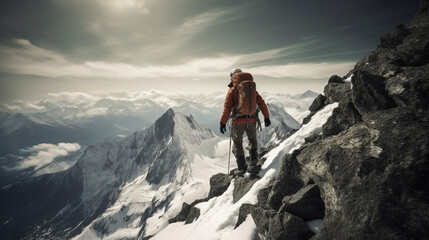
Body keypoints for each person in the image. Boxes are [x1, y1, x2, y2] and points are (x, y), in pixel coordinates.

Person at [220, 68, 271, 175]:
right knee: (252, 140)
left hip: (238, 122)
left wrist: (223, 122)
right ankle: (253, 163)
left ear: (233, 77)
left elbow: (227, 107)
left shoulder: (233, 90)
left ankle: (241, 168)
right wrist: (266, 117)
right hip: (252, 120)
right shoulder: (251, 89)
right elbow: (261, 103)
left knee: (237, 143)